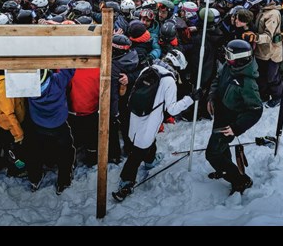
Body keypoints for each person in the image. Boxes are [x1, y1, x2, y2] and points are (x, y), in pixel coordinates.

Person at [112, 50, 194, 201]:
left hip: (136, 115)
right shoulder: (169, 80)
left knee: (146, 140)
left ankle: (150, 161)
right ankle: (126, 182)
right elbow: (172, 109)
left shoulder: (148, 69)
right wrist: (190, 99)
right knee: (137, 153)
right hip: (150, 118)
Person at [204, 39, 263, 194]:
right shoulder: (230, 65)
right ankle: (225, 168)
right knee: (220, 148)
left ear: (240, 57)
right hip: (221, 114)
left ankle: (240, 180)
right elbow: (218, 78)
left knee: (212, 153)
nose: (225, 56)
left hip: (230, 121)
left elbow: (256, 110)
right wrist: (211, 96)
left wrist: (236, 128)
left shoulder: (248, 83)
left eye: (229, 54)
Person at [25, 68, 76, 195]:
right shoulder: (58, 81)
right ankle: (63, 182)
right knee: (66, 154)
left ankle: (35, 179)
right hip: (59, 126)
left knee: (35, 153)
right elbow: (70, 68)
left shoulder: (27, 87)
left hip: (38, 126)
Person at [0, 69, 27, 177]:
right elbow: (8, 113)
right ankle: (16, 170)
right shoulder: (4, 86)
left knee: (5, 145)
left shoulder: (4, 82)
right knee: (12, 149)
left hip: (6, 122)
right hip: (10, 125)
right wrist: (18, 133)